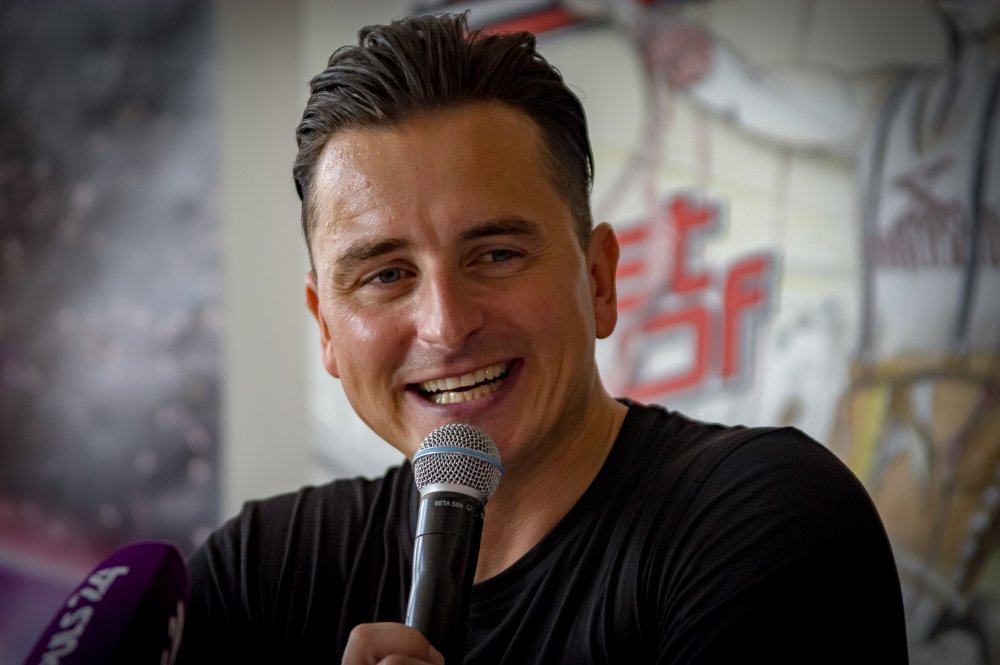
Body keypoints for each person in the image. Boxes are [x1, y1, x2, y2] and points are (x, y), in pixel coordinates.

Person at [177, 13, 908, 663]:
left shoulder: (762, 518)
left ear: (598, 280)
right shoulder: (258, 573)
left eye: (496, 255)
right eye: (387, 274)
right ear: (326, 328)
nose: (446, 324)